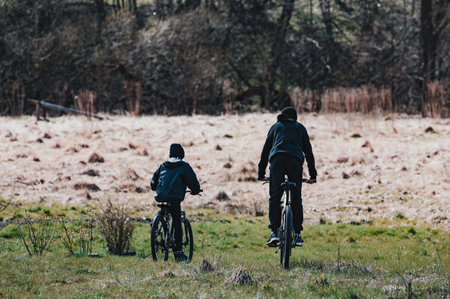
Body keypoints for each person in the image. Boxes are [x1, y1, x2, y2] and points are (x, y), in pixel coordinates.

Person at [257, 106, 317, 247]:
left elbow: (265, 151)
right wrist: (312, 175)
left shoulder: (275, 127)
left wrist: (261, 173)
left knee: (275, 197)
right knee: (296, 198)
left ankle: (274, 232)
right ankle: (297, 234)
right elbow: (308, 152)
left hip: (277, 160)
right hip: (295, 162)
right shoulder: (300, 128)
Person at [150, 143, 201, 262]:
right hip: (174, 198)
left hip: (160, 196)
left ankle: (158, 230)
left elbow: (153, 183)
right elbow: (193, 182)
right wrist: (195, 190)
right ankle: (178, 252)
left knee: (166, 214)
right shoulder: (183, 166)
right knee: (177, 220)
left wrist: (157, 188)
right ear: (182, 154)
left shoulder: (163, 165)